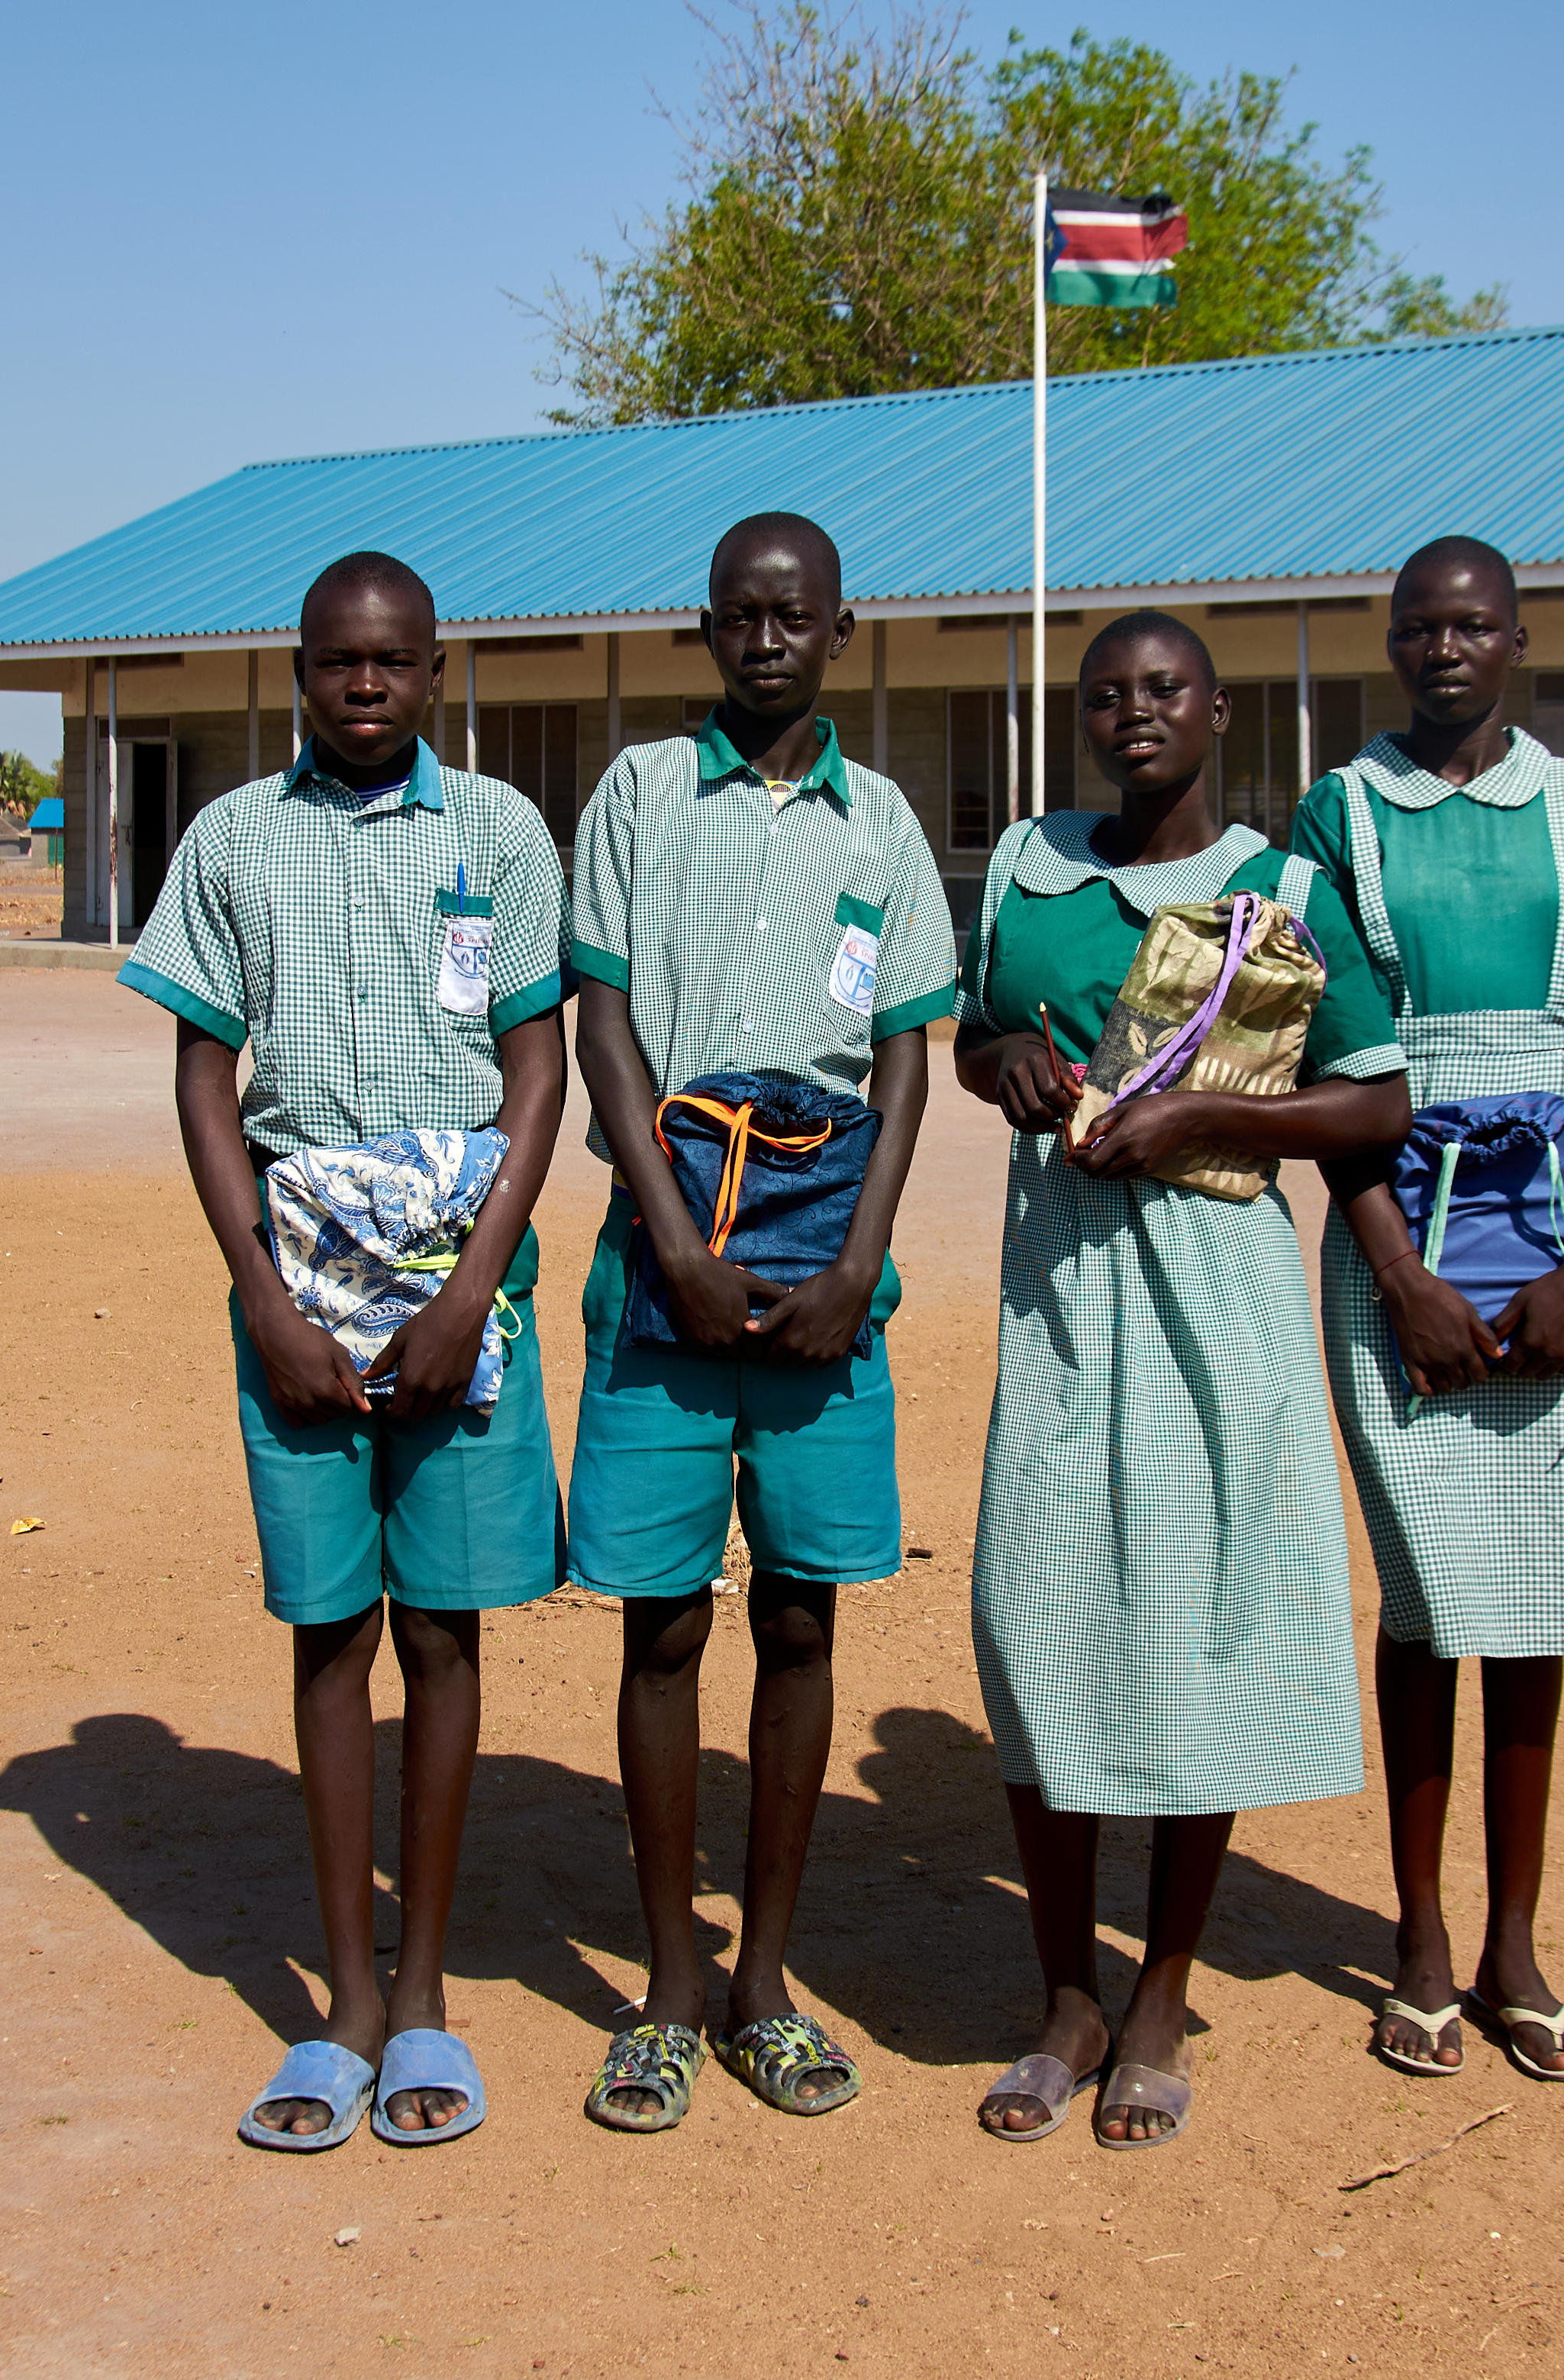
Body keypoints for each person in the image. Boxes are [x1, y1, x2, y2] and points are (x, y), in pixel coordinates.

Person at [118, 550, 571, 2150]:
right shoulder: (235, 839)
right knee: (330, 1632)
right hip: (295, 1287)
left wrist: (472, 1291)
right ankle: (342, 2008)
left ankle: (427, 1986)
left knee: (442, 1632)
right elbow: (201, 1076)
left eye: (391, 661)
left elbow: (537, 1067)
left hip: (459, 1281)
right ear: (297, 670)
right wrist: (260, 1292)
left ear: (435, 670)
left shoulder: (499, 833)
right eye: (334, 662)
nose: (363, 685)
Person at [953, 610, 1410, 2148]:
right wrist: (1002, 1054)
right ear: (1077, 717)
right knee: (1037, 1608)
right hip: (1059, 1288)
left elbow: (1375, 1099)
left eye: (1162, 690)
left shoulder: (1278, 890)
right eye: (1105, 694)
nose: (1133, 713)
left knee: (1197, 1610)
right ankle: (1060, 1992)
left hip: (1214, 1288)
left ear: (1217, 708)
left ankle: (1156, 1989)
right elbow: (969, 1034)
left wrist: (1209, 1126)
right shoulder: (1026, 868)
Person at [564, 511, 958, 2131]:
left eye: (795, 614)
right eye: (739, 613)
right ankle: (665, 1982)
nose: (768, 636)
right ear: (707, 630)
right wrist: (671, 1244)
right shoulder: (642, 795)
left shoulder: (882, 827)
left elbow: (910, 1053)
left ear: (841, 631)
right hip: (668, 1265)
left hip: (821, 1284)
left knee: (799, 1615)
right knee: (662, 1618)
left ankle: (763, 1979)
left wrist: (859, 1264)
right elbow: (597, 1013)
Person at [1292, 536, 1564, 2088]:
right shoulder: (1337, 810)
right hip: (1403, 1248)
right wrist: (1395, 1272)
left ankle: (1516, 1943)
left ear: (1516, 639)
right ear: (1388, 642)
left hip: (1557, 1255)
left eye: (1472, 623)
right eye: (1417, 624)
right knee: (1424, 1594)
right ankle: (1421, 1935)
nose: (1444, 645)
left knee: (1539, 1596)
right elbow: (1321, 1055)